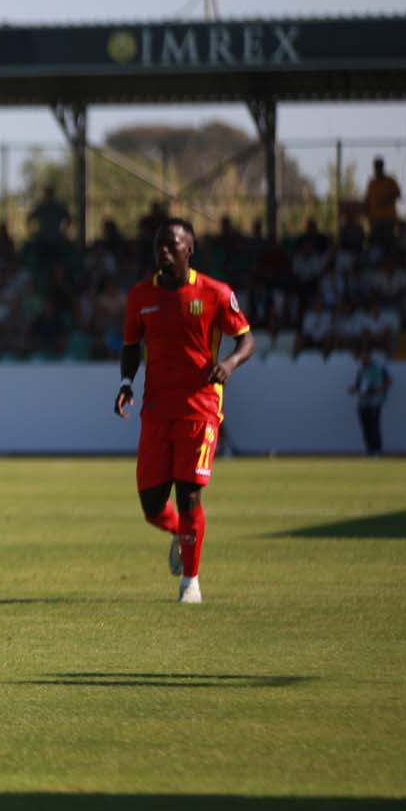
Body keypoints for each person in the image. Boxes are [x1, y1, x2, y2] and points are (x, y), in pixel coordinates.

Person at [114, 218, 254, 604]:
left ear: (188, 250)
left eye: (171, 244)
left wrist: (229, 364)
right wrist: (126, 384)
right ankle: (180, 534)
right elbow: (130, 345)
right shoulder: (141, 296)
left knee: (190, 495)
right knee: (151, 505)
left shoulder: (214, 292)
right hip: (156, 410)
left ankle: (190, 582)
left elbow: (246, 339)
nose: (163, 251)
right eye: (159, 244)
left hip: (200, 408)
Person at [349, 341, 391, 456]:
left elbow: (388, 382)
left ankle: (377, 449)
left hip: (375, 402)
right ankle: (369, 450)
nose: (363, 357)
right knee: (365, 427)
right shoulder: (361, 370)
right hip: (363, 402)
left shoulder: (378, 368)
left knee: (374, 426)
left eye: (365, 355)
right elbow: (359, 386)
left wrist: (380, 389)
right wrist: (353, 389)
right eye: (362, 355)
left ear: (369, 355)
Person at [363, 157, 402, 244]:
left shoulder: (390, 181)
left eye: (379, 166)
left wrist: (386, 199)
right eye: (376, 166)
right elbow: (367, 200)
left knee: (388, 242)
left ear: (382, 167)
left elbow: (397, 194)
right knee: (375, 242)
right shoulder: (372, 183)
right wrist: (368, 216)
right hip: (375, 220)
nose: (377, 168)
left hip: (388, 219)